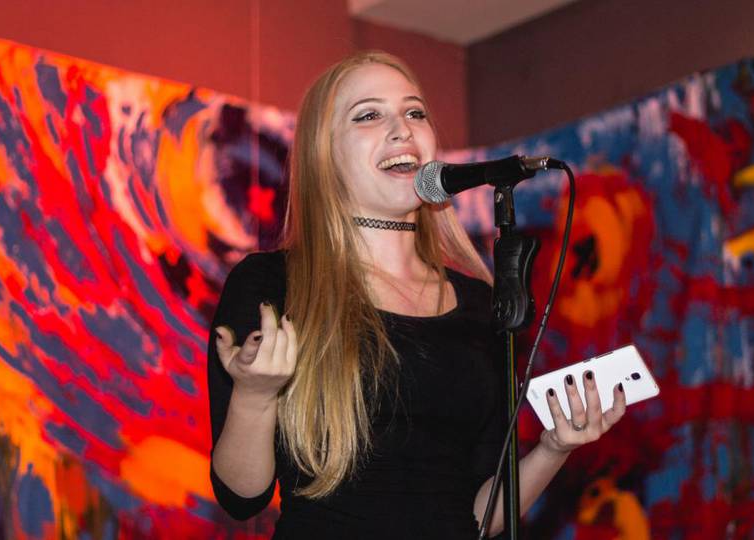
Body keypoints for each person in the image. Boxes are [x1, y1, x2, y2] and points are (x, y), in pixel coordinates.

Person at [207, 50, 627, 539]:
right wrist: (254, 396)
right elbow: (242, 495)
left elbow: (479, 518)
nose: (402, 129)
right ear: (325, 155)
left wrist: (554, 448)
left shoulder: (480, 304)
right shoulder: (274, 284)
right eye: (368, 115)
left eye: (415, 112)